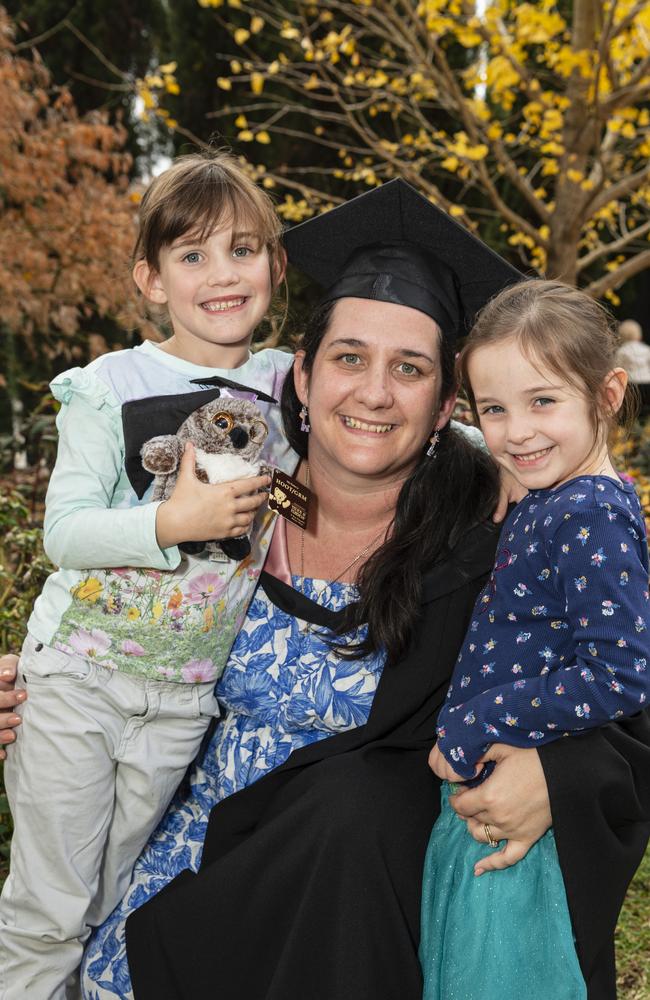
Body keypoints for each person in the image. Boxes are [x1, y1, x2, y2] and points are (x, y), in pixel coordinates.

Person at [0, 181, 648, 1000]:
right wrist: (31, 685)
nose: (373, 393)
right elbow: (95, 595)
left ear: (446, 404)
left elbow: (617, 677)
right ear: (299, 375)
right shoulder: (225, 493)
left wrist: (557, 778)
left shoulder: (495, 535)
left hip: (336, 915)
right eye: (348, 358)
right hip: (167, 877)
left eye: (409, 369)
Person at [0, 151, 296, 998]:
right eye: (192, 256)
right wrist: (171, 522)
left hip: (183, 696)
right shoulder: (106, 386)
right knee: (49, 906)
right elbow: (65, 530)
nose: (222, 274)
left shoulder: (290, 385)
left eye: (243, 250)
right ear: (151, 280)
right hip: (80, 680)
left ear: (275, 267)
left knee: (108, 902)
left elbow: (388, 420)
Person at [423, 280, 650, 1000]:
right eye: (493, 409)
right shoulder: (553, 492)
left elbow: (623, 673)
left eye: (542, 401)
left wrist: (475, 724)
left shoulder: (590, 517)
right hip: (494, 793)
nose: (516, 433)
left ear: (608, 394)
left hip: (530, 837)